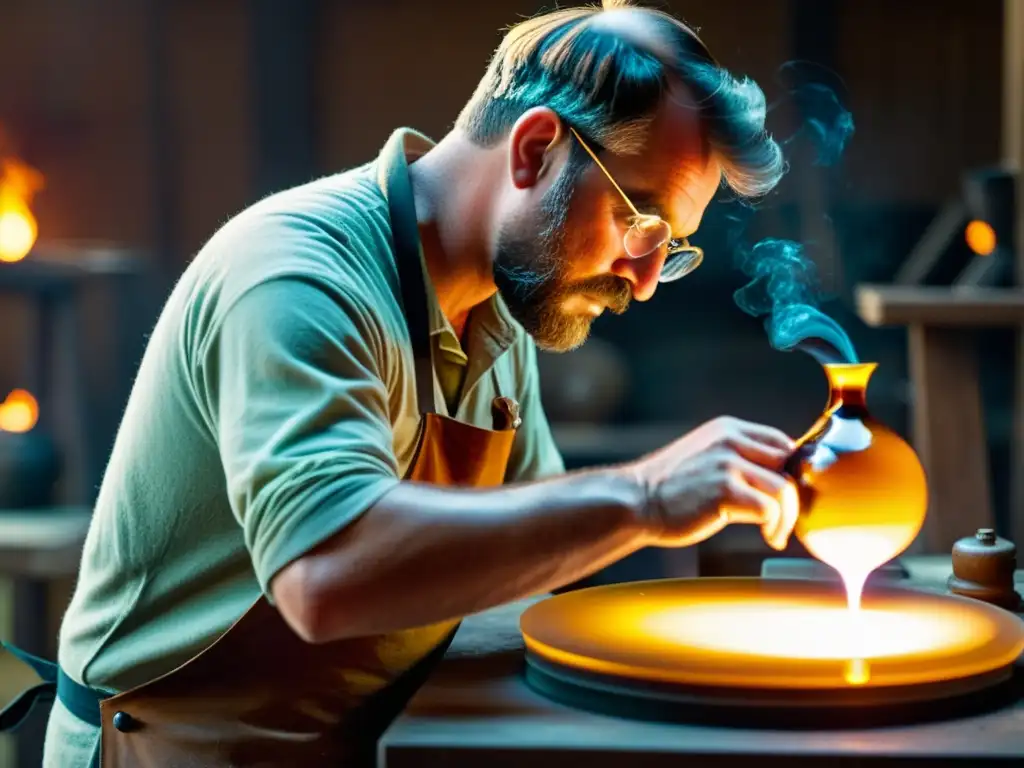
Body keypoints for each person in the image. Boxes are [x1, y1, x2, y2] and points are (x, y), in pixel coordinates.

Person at [1, 1, 798, 766]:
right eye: (641, 222)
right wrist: (647, 498)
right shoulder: (297, 276)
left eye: (673, 247)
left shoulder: (495, 307)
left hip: (363, 737)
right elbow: (325, 575)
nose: (648, 279)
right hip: (178, 748)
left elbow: (530, 562)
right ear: (535, 149)